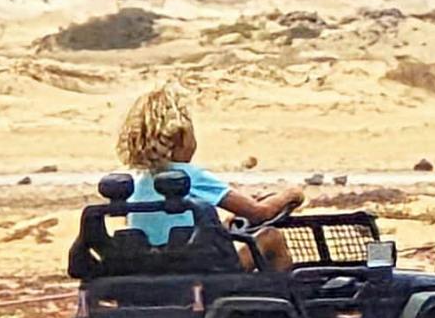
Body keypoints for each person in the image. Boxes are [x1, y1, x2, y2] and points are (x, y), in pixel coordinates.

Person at [115, 83, 303, 269]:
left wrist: (221, 226)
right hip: (208, 274)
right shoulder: (188, 177)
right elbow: (260, 212)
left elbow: (164, 229)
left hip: (160, 272)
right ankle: (284, 295)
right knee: (271, 236)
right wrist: (291, 195)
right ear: (181, 138)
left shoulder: (137, 183)